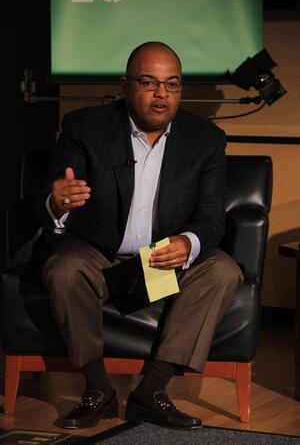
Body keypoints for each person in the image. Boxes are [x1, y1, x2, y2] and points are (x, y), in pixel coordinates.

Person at [35, 42, 243, 430]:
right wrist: (58, 203)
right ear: (126, 85)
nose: (161, 94)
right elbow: (53, 194)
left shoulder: (206, 139)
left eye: (172, 84)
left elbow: (212, 218)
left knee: (223, 270)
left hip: (159, 266)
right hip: (96, 256)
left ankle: (151, 390)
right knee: (63, 267)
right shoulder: (85, 127)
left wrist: (188, 243)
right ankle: (99, 391)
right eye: (149, 82)